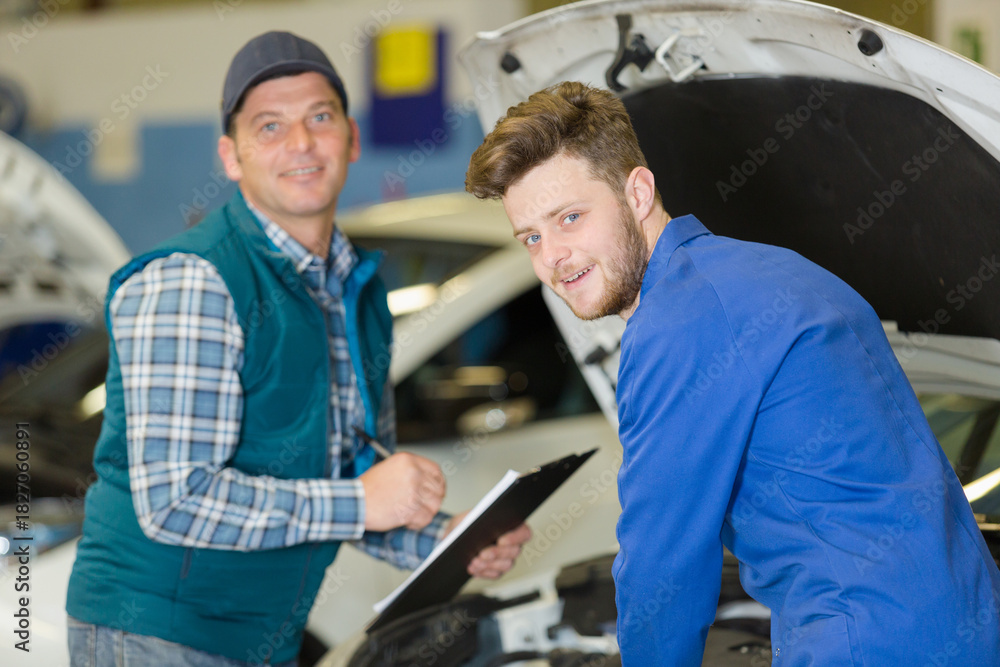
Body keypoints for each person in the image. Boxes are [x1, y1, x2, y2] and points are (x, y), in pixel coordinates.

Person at [465, 81, 1000, 665]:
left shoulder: (680, 321)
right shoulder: (772, 271)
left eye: (569, 217)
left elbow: (661, 564)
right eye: (531, 237)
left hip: (862, 640)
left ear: (638, 192)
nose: (552, 258)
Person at [66, 31, 530, 667]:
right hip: (156, 635)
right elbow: (176, 499)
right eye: (269, 126)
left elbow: (343, 480)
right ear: (230, 156)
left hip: (263, 637)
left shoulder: (357, 292)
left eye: (319, 117)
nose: (301, 144)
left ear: (352, 137)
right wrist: (365, 499)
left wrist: (443, 539)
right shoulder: (192, 280)